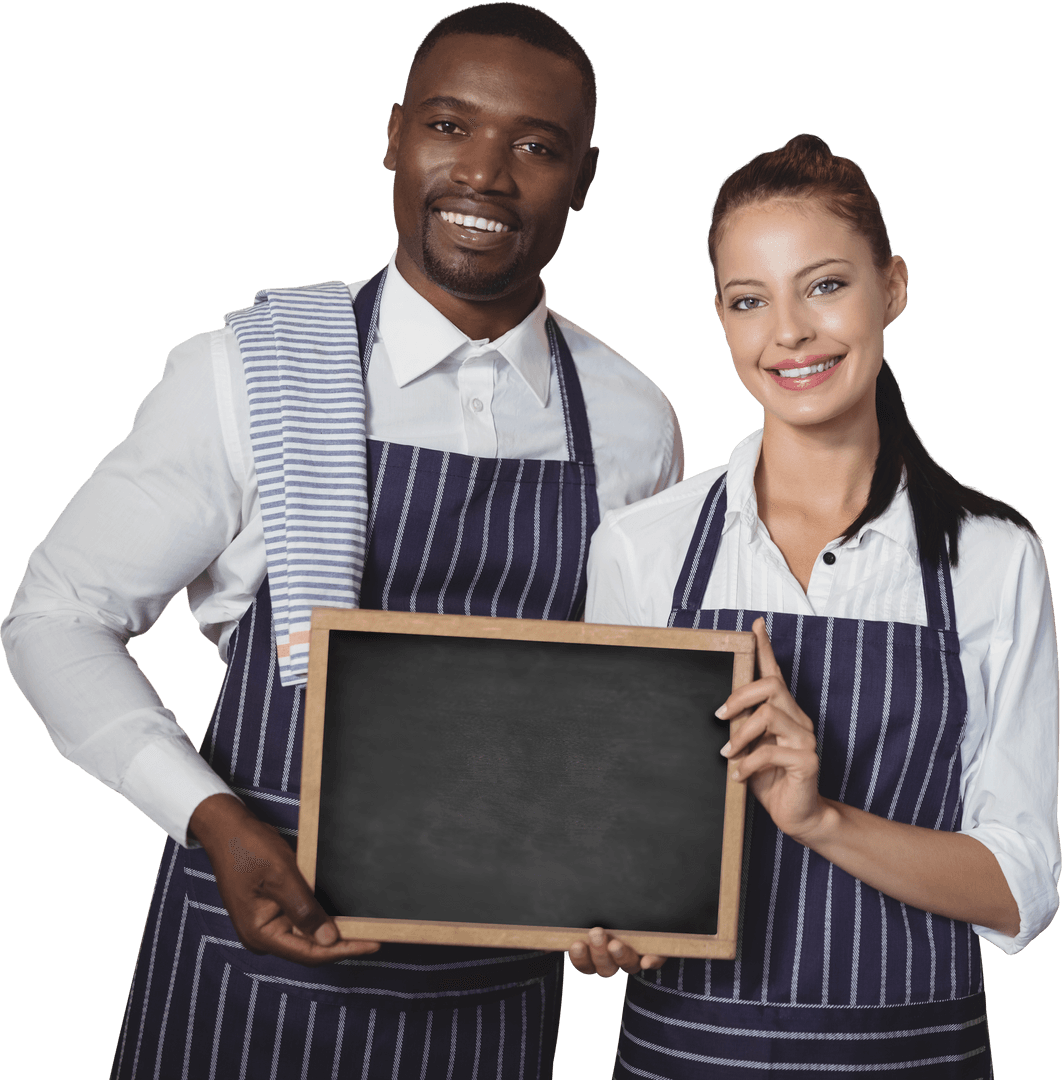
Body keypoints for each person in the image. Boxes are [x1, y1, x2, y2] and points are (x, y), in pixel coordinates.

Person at [1, 5, 682, 1078]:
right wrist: (212, 820)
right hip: (248, 970)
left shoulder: (633, 418)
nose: (486, 176)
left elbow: (617, 714)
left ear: (585, 178)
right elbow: (54, 620)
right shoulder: (249, 370)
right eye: (451, 128)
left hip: (491, 996)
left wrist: (617, 887)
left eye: (537, 147)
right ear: (395, 134)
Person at [577, 134, 1059, 1077]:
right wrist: (598, 920)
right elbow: (608, 842)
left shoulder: (997, 560)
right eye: (750, 301)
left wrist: (817, 817)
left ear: (895, 287)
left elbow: (1021, 884)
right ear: (720, 319)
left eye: (825, 285)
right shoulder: (643, 549)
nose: (788, 332)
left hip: (913, 1056)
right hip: (685, 1051)